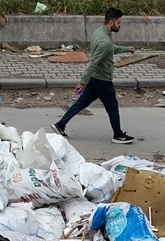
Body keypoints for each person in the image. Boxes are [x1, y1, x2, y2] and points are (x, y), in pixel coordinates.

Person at [53, 7, 136, 144]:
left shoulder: (99, 32)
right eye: (119, 23)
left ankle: (60, 125)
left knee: (81, 103)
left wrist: (126, 49)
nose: (120, 26)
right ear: (111, 23)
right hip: (102, 81)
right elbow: (94, 62)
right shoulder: (105, 42)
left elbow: (110, 49)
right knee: (112, 107)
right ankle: (118, 135)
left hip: (95, 80)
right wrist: (83, 82)